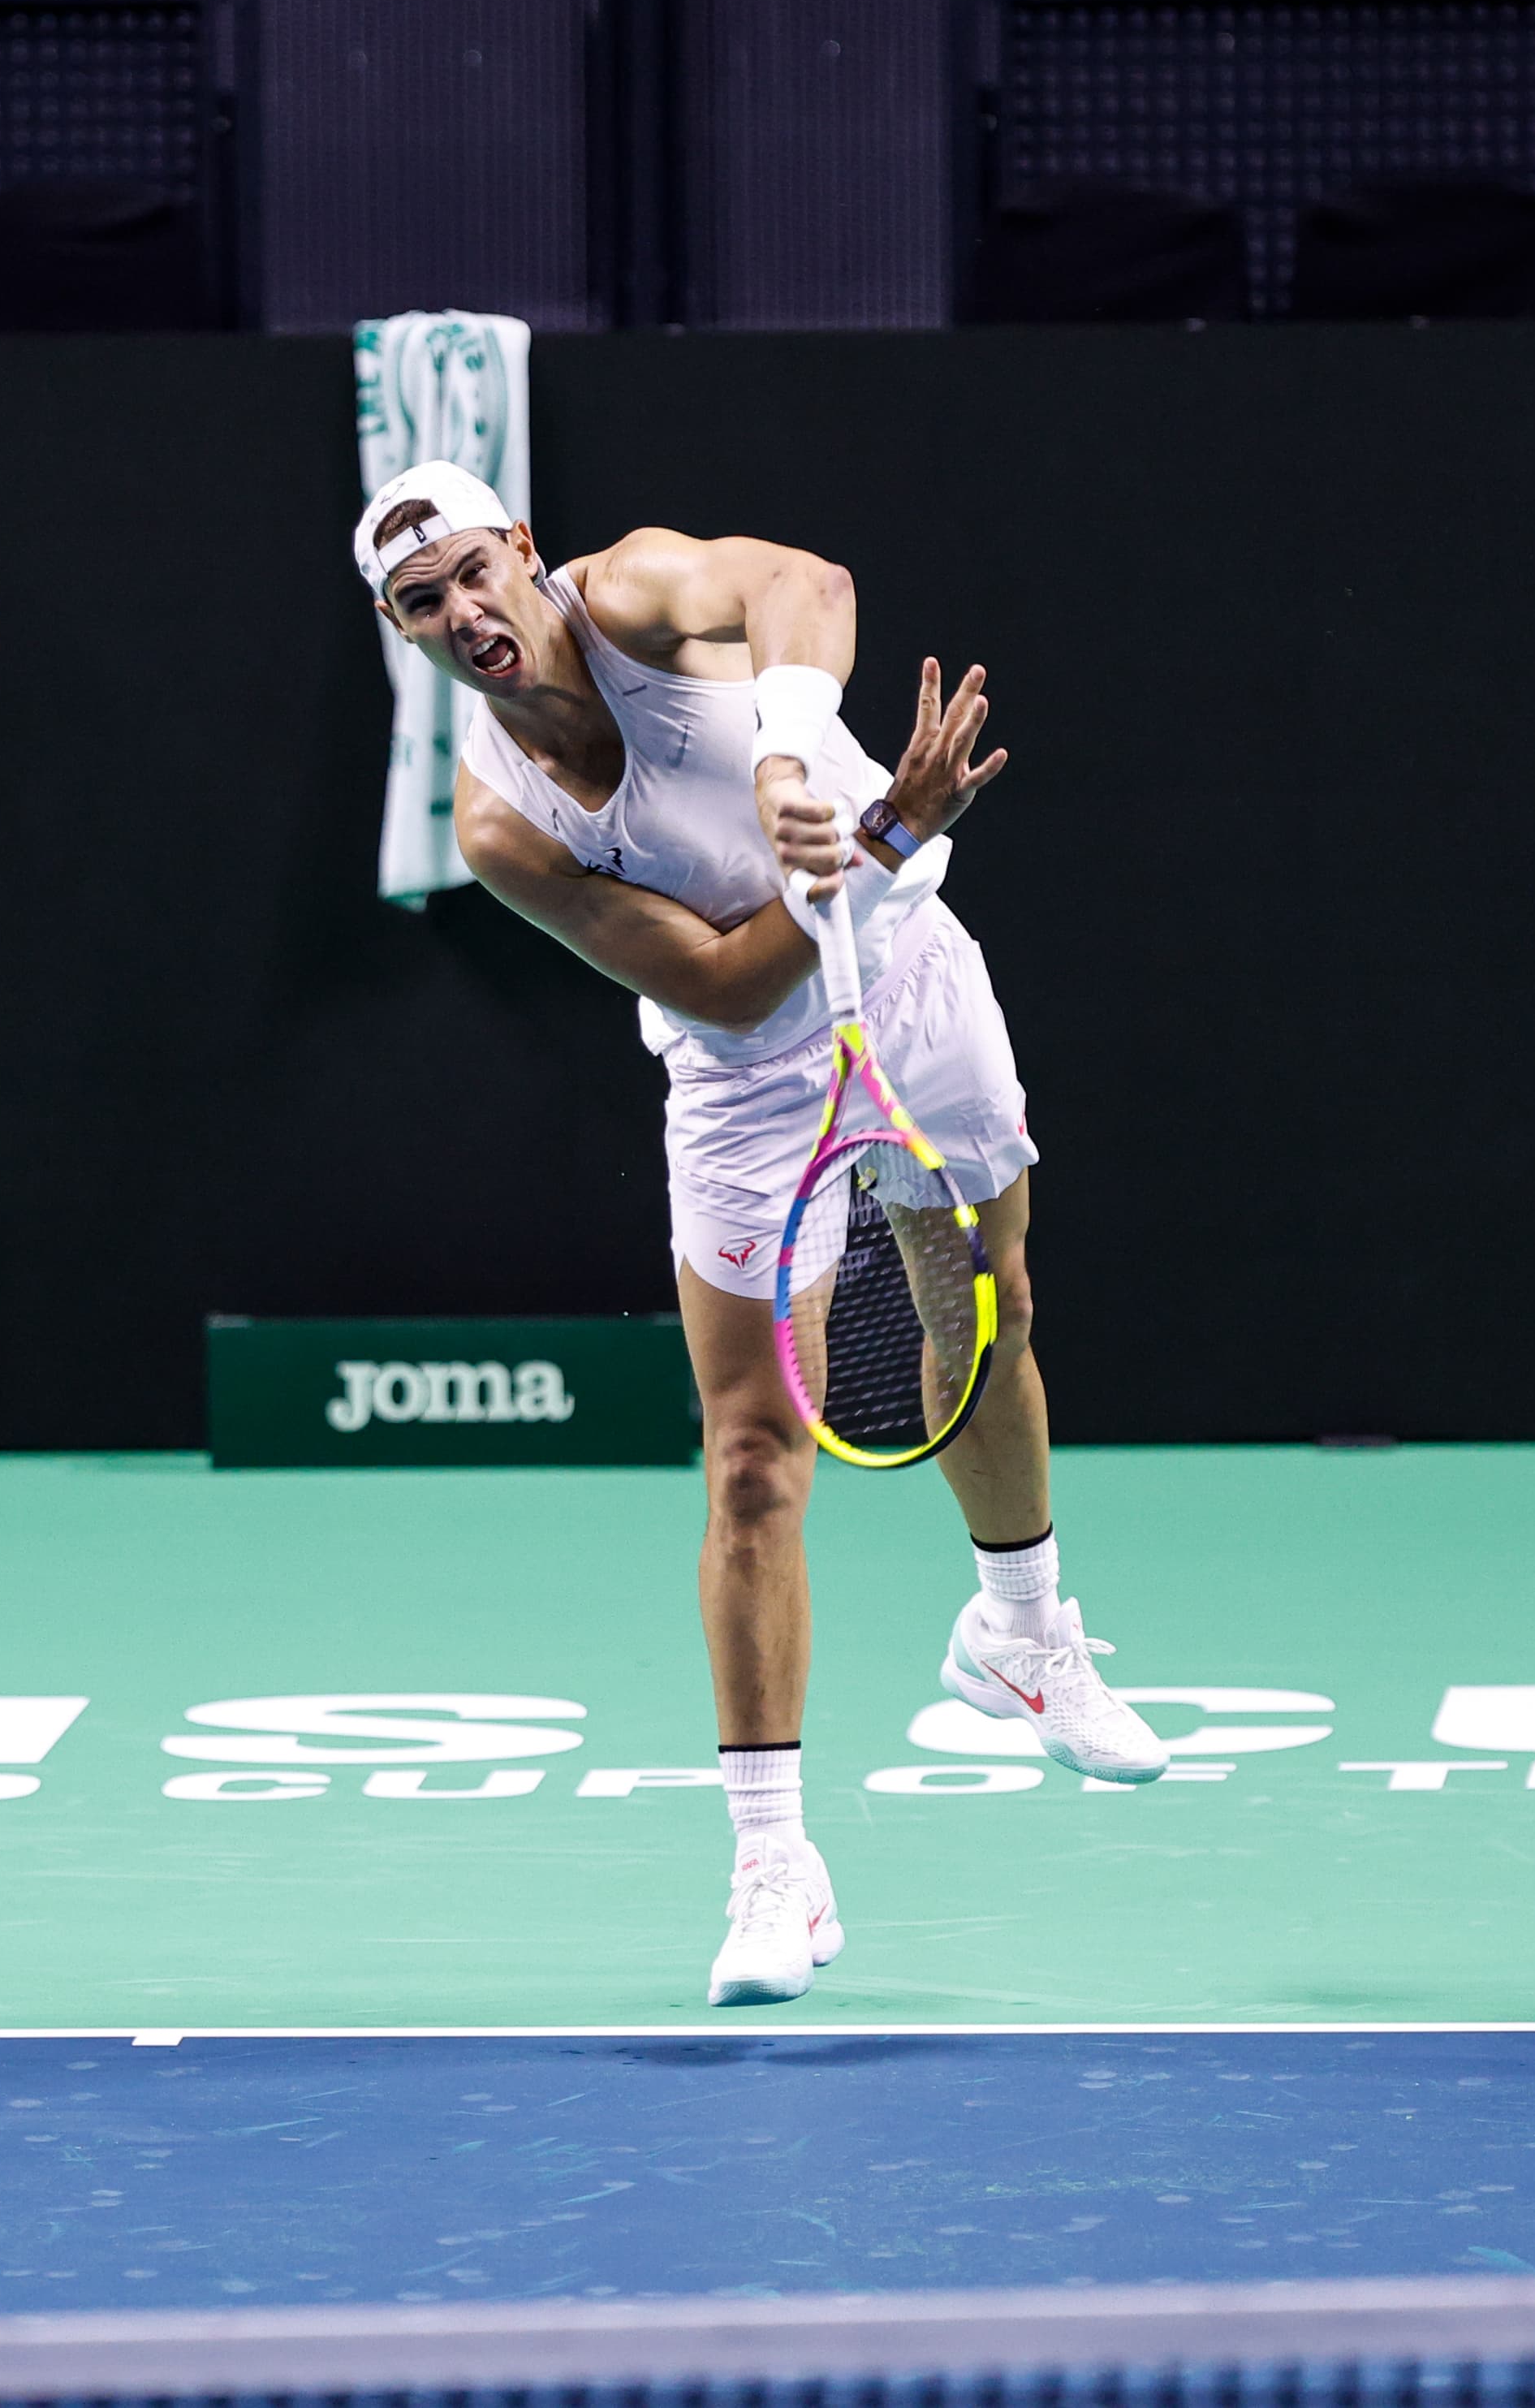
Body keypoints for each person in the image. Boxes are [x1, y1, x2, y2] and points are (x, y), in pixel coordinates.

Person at [355, 459, 1167, 2009]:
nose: (465, 613)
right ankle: (773, 1867)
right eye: (421, 603)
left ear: (522, 550)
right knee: (748, 1454)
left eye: (472, 571)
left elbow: (813, 587)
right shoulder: (499, 824)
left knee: (981, 1312)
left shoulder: (638, 590)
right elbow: (723, 983)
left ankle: (1022, 1633)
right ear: (404, 632)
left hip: (909, 977)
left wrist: (805, 762)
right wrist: (877, 837)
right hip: (741, 1074)